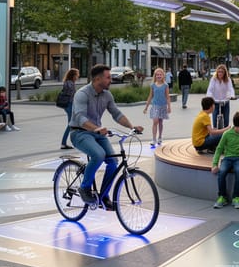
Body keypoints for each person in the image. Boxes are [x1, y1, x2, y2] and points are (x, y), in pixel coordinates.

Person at [69, 64, 143, 208]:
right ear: (97, 79)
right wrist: (97, 128)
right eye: (108, 77)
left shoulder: (107, 95)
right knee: (99, 154)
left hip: (97, 132)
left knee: (114, 162)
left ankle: (103, 196)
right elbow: (80, 118)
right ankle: (84, 188)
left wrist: (132, 127)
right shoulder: (82, 94)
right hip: (79, 132)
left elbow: (116, 114)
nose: (111, 80)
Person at [143, 68, 171, 148]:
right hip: (155, 106)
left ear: (163, 76)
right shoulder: (153, 85)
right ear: (155, 76)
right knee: (155, 121)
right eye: (157, 75)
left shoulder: (165, 85)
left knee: (161, 122)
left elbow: (167, 97)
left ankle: (160, 137)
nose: (159, 76)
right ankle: (154, 139)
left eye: (160, 74)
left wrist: (169, 107)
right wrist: (146, 107)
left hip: (163, 106)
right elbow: (150, 96)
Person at [206, 64, 235, 128]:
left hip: (225, 101)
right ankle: (215, 129)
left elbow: (230, 88)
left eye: (222, 72)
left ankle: (226, 131)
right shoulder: (213, 79)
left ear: (225, 73)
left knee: (226, 118)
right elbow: (210, 89)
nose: (220, 73)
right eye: (219, 72)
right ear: (217, 72)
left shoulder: (228, 79)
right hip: (215, 101)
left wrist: (232, 96)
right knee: (214, 116)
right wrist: (209, 97)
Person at [59, 68, 79, 150]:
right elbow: (72, 95)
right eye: (77, 75)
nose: (78, 76)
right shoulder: (70, 84)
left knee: (72, 124)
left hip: (68, 105)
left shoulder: (68, 82)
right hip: (69, 105)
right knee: (71, 125)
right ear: (73, 75)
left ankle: (67, 143)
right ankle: (64, 143)